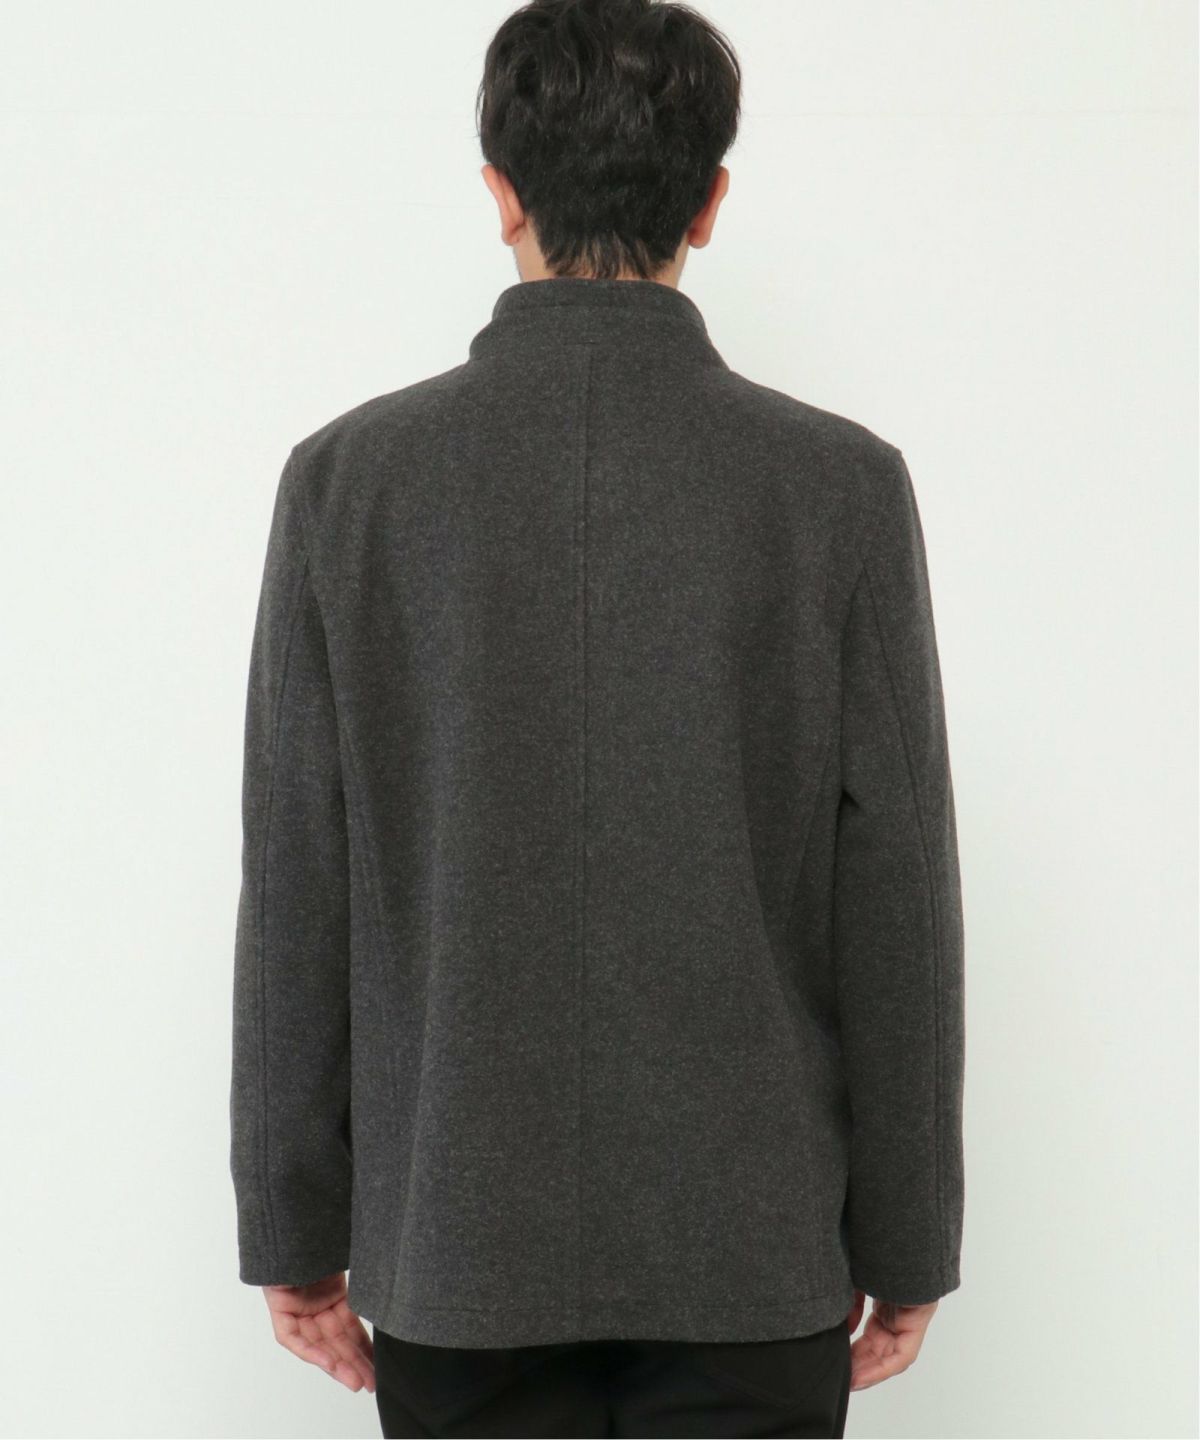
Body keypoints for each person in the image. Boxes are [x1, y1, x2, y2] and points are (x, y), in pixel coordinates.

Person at [228, 1, 966, 1435]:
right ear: (710, 200)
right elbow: (897, 897)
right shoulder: (839, 488)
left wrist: (291, 1224)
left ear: (500, 190)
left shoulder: (349, 484)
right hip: (751, 1250)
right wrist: (910, 1237)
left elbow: (298, 881)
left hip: (457, 1248)